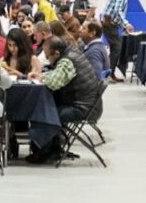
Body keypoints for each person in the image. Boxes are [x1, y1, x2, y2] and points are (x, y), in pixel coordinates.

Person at [31, 36, 103, 164]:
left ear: (56, 53)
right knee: (49, 110)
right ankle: (54, 149)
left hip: (81, 108)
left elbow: (53, 83)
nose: (47, 60)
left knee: (44, 114)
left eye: (48, 57)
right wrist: (42, 75)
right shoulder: (73, 53)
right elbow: (57, 75)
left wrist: (42, 77)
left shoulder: (67, 61)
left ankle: (44, 153)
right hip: (88, 105)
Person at [101, 0, 136, 82]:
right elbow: (117, 11)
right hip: (109, 24)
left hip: (110, 24)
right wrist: (126, 24)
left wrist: (124, 27)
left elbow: (116, 14)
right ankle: (107, 74)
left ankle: (110, 73)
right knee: (117, 48)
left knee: (114, 49)